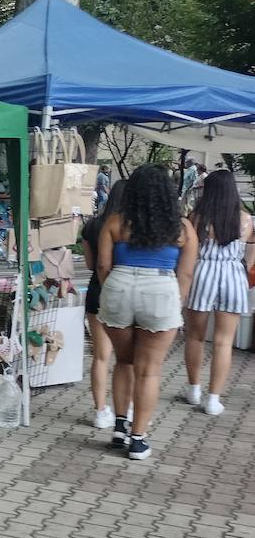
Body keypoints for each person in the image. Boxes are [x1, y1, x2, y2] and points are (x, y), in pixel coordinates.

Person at [97, 164, 197, 461]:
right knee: (149, 369)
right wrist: (173, 303)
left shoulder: (116, 222)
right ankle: (138, 440)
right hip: (161, 287)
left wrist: (112, 289)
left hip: (120, 285)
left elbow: (103, 266)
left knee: (124, 361)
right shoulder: (182, 228)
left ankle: (118, 427)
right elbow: (187, 274)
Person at [181, 168, 255, 417]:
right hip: (234, 275)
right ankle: (213, 399)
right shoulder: (246, 219)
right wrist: (243, 268)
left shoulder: (197, 217)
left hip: (202, 272)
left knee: (195, 337)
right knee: (224, 342)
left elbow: (188, 250)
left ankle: (194, 389)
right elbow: (251, 252)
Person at [80, 179, 130, 430]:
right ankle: (127, 407)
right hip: (124, 292)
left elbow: (92, 265)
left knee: (101, 356)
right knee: (127, 357)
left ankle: (100, 411)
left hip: (97, 290)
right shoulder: (131, 227)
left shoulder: (92, 226)